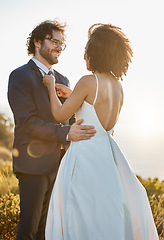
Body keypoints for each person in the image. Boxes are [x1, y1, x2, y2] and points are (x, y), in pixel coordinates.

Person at [43, 23, 159, 240]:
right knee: (104, 216)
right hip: (108, 158)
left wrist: (51, 85)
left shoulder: (88, 82)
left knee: (79, 216)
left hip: (84, 158)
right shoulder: (118, 87)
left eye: (86, 52)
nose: (84, 57)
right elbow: (101, 117)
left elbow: (59, 115)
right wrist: (74, 95)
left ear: (96, 54)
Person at [7, 20, 96, 240]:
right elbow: (27, 122)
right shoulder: (19, 76)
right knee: (28, 230)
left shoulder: (64, 80)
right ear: (37, 41)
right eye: (54, 41)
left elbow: (74, 117)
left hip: (60, 167)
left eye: (62, 44)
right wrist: (65, 133)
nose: (59, 47)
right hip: (33, 165)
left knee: (48, 231)